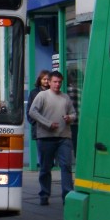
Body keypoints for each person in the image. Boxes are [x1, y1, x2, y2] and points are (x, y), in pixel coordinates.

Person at [28, 71, 77, 206]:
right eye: (55, 82)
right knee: (45, 167)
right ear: (49, 82)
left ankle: (67, 196)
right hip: (46, 137)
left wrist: (70, 118)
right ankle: (44, 194)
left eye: (59, 82)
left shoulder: (65, 97)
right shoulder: (42, 95)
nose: (57, 84)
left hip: (64, 136)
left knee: (66, 166)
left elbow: (73, 113)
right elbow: (32, 112)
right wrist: (47, 123)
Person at [26, 70, 50, 166]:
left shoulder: (53, 92)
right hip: (38, 128)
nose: (46, 81)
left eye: (48, 79)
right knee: (42, 152)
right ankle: (44, 172)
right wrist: (35, 123)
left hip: (51, 127)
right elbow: (29, 111)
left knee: (50, 153)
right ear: (40, 80)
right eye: (44, 79)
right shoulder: (34, 93)